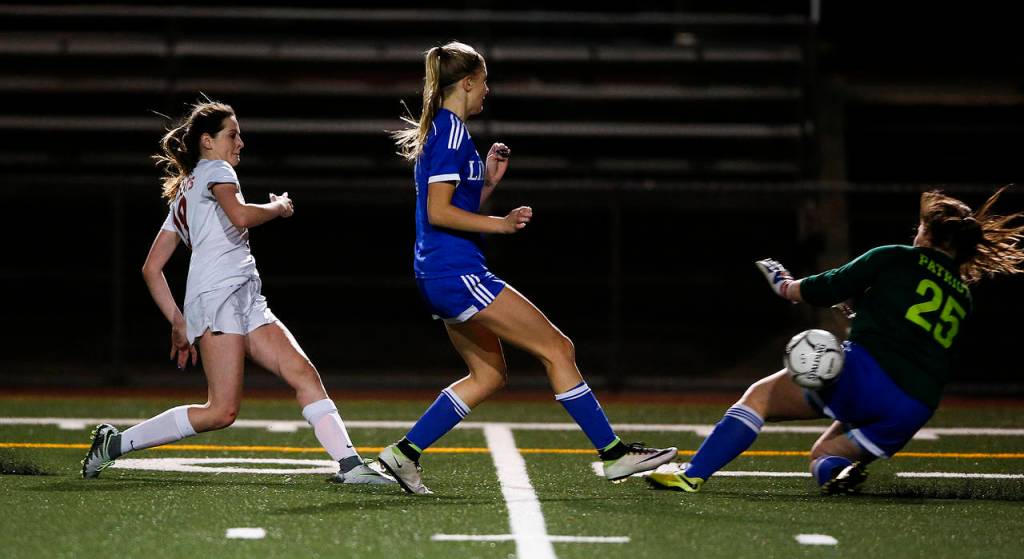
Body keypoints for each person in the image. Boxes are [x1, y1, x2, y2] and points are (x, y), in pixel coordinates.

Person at [378, 41, 676, 495]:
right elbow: (439, 213)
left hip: (439, 273)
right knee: (558, 348)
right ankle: (614, 454)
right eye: (485, 82)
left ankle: (405, 453)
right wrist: (498, 224)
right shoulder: (451, 132)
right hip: (456, 272)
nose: (488, 91)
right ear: (469, 82)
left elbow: (454, 204)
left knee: (489, 376)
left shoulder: (446, 131)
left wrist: (490, 183)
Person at [81, 99, 394, 485]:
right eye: (233, 134)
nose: (241, 142)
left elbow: (151, 268)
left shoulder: (185, 192)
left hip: (241, 295)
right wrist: (278, 207)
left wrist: (179, 320)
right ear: (208, 142)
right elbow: (241, 215)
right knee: (221, 411)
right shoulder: (216, 168)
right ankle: (113, 444)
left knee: (303, 374)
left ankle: (351, 467)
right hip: (219, 299)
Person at [647, 188, 1024, 494]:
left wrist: (784, 283)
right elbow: (916, 339)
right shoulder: (962, 295)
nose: (915, 233)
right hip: (913, 407)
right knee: (824, 453)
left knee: (758, 398)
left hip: (867, 376)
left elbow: (824, 287)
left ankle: (692, 474)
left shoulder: (896, 257)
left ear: (928, 234)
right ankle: (838, 474)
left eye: (920, 227)